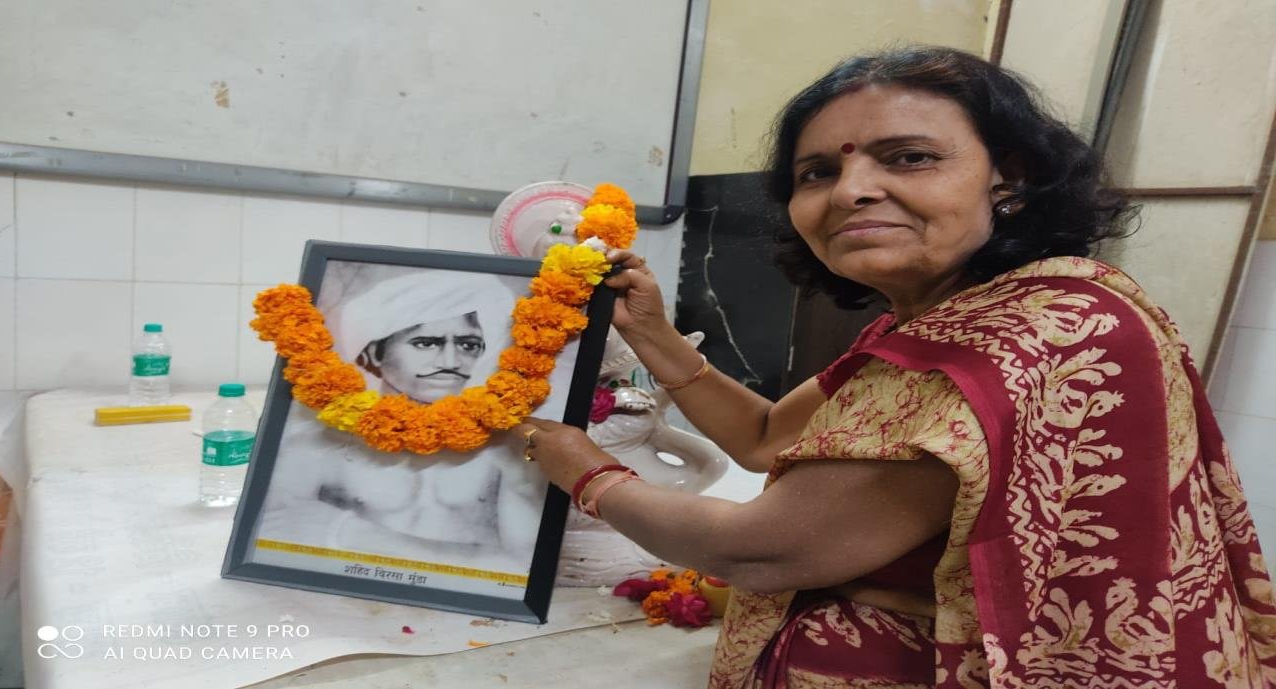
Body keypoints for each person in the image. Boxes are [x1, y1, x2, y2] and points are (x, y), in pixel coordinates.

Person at [514, 47, 1276, 687]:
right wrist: (653, 334)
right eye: (816, 172)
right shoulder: (937, 322)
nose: (851, 190)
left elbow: (762, 545)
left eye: (909, 157)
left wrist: (585, 470)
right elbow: (766, 436)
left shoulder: (1033, 334)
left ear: (1007, 178)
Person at [260, 270, 546, 573]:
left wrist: (352, 534)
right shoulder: (316, 444)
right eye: (425, 343)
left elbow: (523, 567)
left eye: (468, 345)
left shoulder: (505, 449)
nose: (450, 362)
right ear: (374, 354)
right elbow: (270, 541)